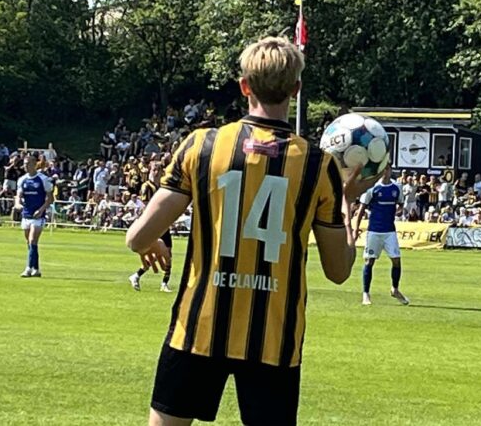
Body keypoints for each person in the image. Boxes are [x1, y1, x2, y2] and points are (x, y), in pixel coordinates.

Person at [125, 36, 372, 426]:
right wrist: (346, 201)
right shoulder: (316, 165)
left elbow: (137, 237)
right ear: (296, 88)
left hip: (199, 325)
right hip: (274, 336)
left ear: (244, 86)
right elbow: (339, 271)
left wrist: (150, 243)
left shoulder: (202, 145)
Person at [356, 165, 408, 306]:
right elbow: (361, 209)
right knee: (369, 261)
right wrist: (355, 229)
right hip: (374, 231)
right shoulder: (372, 188)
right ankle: (366, 294)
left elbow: (401, 204)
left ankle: (395, 289)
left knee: (396, 260)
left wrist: (399, 211)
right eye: (383, 170)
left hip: (389, 231)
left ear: (390, 171)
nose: (385, 172)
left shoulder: (396, 188)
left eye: (388, 169)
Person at [130, 165, 172, 292]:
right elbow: (147, 205)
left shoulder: (161, 187)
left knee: (167, 253)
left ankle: (163, 283)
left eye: (159, 171)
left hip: (163, 223)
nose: (157, 173)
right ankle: (138, 275)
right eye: (155, 170)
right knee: (158, 253)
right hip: (155, 224)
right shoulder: (147, 186)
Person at [14, 153, 53, 278]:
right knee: (30, 243)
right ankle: (36, 269)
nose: (25, 167)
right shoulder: (22, 180)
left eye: (28, 164)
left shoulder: (42, 179)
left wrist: (41, 210)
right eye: (24, 164)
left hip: (38, 216)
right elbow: (18, 196)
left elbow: (50, 198)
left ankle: (28, 269)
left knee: (32, 240)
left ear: (34, 164)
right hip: (26, 214)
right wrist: (17, 204)